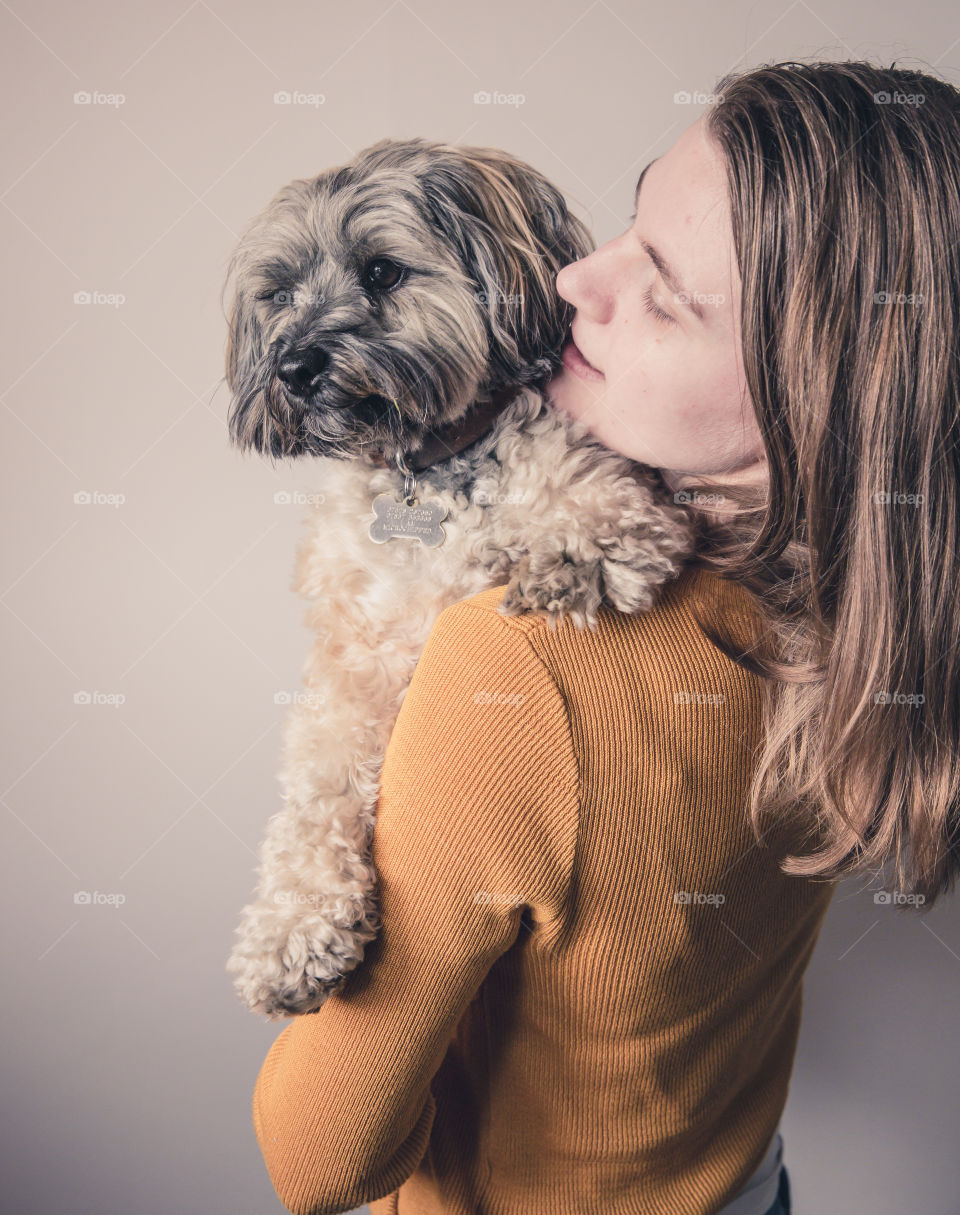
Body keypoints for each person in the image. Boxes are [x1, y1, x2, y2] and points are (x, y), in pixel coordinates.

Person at [250, 61, 960, 1215]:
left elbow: (318, 1159)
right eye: (633, 221)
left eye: (668, 293)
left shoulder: (519, 660)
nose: (578, 276)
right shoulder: (869, 612)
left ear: (812, 392)